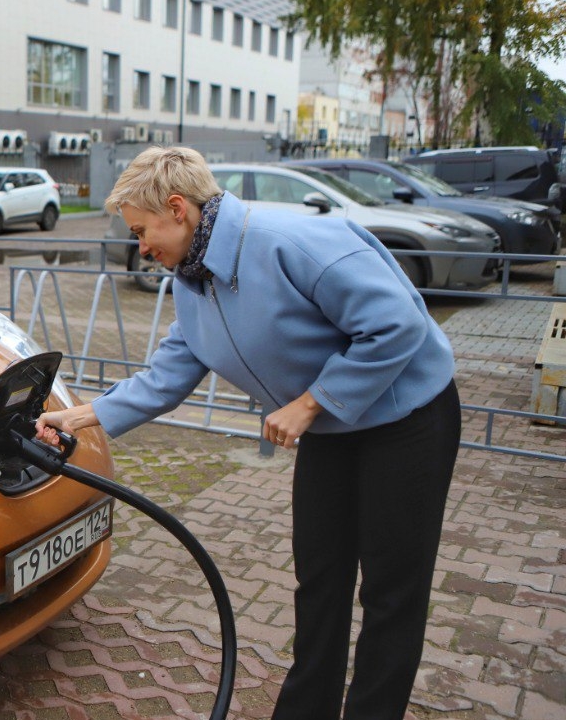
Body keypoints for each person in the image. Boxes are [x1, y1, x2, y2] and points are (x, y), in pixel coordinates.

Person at [36, 146, 459, 720]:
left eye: (141, 230)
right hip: (333, 430)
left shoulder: (293, 242)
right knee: (320, 582)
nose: (140, 247)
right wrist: (82, 415)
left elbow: (397, 324)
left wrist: (310, 403)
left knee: (390, 593)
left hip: (407, 422)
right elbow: (170, 372)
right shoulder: (193, 278)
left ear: (178, 209)